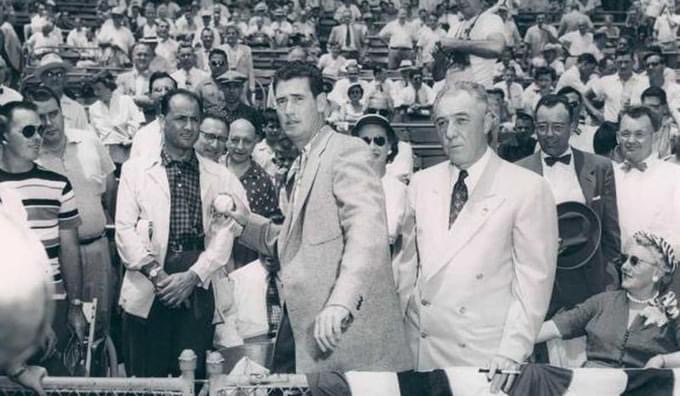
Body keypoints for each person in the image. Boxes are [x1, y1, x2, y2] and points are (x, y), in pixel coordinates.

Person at [221, 62, 411, 373]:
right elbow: (292, 241)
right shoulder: (304, 160)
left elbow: (367, 234)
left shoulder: (346, 150)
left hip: (347, 336)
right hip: (304, 329)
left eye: (298, 99)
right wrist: (244, 221)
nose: (288, 110)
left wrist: (341, 302)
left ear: (321, 103)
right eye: (281, 102)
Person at [398, 81, 558, 392]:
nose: (449, 132)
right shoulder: (420, 183)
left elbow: (533, 283)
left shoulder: (527, 187)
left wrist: (513, 350)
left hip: (486, 358)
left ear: (487, 122)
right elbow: (406, 271)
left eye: (461, 120)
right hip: (422, 351)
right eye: (441, 122)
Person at [115, 89, 248, 379]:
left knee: (193, 372)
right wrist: (159, 277)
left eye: (194, 119)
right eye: (180, 119)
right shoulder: (135, 171)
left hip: (197, 283)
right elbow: (124, 231)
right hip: (151, 281)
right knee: (147, 374)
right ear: (162, 120)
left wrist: (192, 277)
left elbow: (229, 230)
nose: (189, 127)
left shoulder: (219, 175)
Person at [0, 101, 86, 375]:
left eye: (39, 130)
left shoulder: (58, 184)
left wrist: (75, 307)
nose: (38, 137)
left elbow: (69, 251)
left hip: (54, 302)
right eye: (28, 131)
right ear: (3, 135)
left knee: (52, 382)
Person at [517, 94, 620, 319]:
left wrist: (610, 282)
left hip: (590, 283)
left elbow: (611, 234)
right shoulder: (517, 172)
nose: (549, 135)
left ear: (573, 126)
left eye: (557, 127)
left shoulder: (600, 167)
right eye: (542, 127)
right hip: (540, 285)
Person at [28, 86, 118, 338]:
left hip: (96, 249)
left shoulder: (89, 140)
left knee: (99, 329)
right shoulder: (29, 156)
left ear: (62, 113)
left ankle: (99, 378)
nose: (48, 123)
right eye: (40, 117)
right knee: (59, 328)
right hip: (53, 261)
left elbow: (110, 188)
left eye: (53, 114)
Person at [536, 231, 680, 368]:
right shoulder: (601, 303)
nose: (624, 267)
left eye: (634, 261)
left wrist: (662, 360)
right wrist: (517, 338)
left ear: (657, 272)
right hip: (593, 386)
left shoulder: (672, 312)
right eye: (624, 259)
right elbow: (553, 328)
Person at [350, 114, 409, 306]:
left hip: (388, 284)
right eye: (365, 141)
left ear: (390, 146)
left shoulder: (402, 191)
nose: (372, 146)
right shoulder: (343, 186)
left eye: (380, 141)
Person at [614, 106, 680, 253]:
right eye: (625, 134)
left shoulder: (675, 176)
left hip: (659, 268)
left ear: (655, 137)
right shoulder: (610, 175)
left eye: (639, 134)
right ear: (618, 137)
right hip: (613, 267)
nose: (631, 140)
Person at [226, 118, 279, 268]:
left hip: (246, 255)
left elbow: (273, 219)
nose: (240, 147)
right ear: (226, 140)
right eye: (235, 140)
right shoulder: (213, 169)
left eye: (247, 141)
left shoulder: (263, 179)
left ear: (256, 142)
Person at [434, 0, 505, 88]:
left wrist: (456, 44)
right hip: (452, 92)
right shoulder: (454, 28)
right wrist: (439, 58)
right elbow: (438, 77)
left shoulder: (490, 19)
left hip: (478, 93)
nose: (462, 1)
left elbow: (497, 47)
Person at [87, 70, 145, 172]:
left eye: (99, 89)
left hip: (125, 152)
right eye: (94, 89)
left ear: (109, 87)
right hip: (104, 157)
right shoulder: (93, 108)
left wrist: (131, 137)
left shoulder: (126, 101)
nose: (96, 93)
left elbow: (139, 122)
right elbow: (94, 135)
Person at [584, 50, 649, 123]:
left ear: (633, 62)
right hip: (611, 126)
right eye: (620, 62)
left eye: (626, 62)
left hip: (636, 125)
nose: (623, 66)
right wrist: (595, 112)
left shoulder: (644, 81)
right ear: (615, 63)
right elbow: (585, 96)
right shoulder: (606, 81)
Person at [129, 72, 178, 159]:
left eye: (168, 89)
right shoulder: (143, 135)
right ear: (150, 96)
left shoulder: (189, 127)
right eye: (158, 90)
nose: (163, 94)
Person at [34, 54, 89, 131]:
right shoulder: (32, 107)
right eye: (49, 74)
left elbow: (85, 138)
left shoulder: (77, 109)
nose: (55, 78)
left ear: (65, 78)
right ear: (42, 78)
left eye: (59, 74)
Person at [641, 86, 680, 158]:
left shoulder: (672, 132)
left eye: (655, 107)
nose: (650, 111)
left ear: (665, 108)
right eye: (646, 107)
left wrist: (673, 111)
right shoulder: (636, 130)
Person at [224, 25, 256, 98]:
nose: (231, 35)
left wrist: (252, 86)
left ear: (237, 35)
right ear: (226, 35)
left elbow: (250, 69)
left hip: (242, 83)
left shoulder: (246, 49)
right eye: (228, 33)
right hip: (226, 82)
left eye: (233, 33)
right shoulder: (221, 49)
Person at [195, 48, 228, 114]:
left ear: (226, 64)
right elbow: (196, 109)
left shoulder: (234, 85)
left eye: (221, 63)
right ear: (209, 64)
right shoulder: (201, 87)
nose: (218, 66)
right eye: (214, 63)